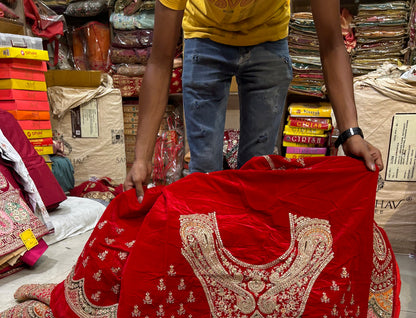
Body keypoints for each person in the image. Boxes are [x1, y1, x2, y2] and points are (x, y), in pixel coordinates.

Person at [123, 0, 384, 201]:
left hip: (267, 38)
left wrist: (351, 133)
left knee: (257, 174)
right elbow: (159, 60)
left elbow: (332, 44)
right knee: (202, 176)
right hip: (204, 36)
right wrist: (142, 159)